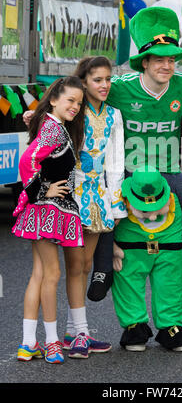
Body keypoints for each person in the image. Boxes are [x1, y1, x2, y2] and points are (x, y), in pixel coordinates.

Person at [88, 6, 182, 301]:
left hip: (172, 165)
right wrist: (39, 115)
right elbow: (78, 94)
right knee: (105, 200)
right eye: (159, 60)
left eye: (171, 59)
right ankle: (102, 270)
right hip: (130, 167)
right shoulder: (118, 89)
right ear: (144, 63)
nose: (166, 66)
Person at [13, 77, 86, 364]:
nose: (76, 107)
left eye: (79, 103)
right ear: (54, 98)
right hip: (48, 210)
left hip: (45, 209)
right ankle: (53, 342)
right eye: (70, 100)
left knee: (39, 274)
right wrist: (43, 190)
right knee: (52, 274)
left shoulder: (54, 126)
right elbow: (27, 160)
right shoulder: (53, 130)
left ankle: (28, 343)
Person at [62, 55, 127, 358]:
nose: (104, 85)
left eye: (107, 79)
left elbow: (115, 165)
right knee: (75, 266)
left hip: (98, 198)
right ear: (84, 81)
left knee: (85, 266)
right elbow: (47, 131)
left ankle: (74, 331)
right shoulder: (73, 111)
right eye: (97, 79)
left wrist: (114, 208)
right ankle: (81, 333)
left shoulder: (114, 115)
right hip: (69, 197)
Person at [112, 166, 182, 352]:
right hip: (131, 236)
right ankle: (134, 326)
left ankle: (171, 325)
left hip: (172, 178)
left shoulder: (176, 188)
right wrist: (109, 250)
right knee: (127, 277)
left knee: (170, 281)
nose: (153, 215)